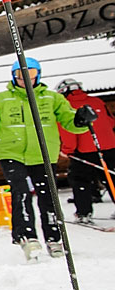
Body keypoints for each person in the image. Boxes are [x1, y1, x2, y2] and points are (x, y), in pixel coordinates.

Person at [0, 58, 94, 260]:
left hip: (43, 154)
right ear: (14, 77)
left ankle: (53, 238)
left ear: (38, 76)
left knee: (48, 195)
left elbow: (69, 120)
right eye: (20, 76)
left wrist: (81, 119)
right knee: (21, 191)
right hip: (12, 154)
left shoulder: (52, 99)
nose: (25, 80)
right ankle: (27, 237)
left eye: (31, 75)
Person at [56, 78, 115, 224]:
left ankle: (84, 213)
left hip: (85, 150)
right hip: (109, 148)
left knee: (80, 180)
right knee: (110, 177)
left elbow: (68, 132)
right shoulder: (96, 101)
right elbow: (111, 121)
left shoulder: (66, 106)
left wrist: (67, 150)